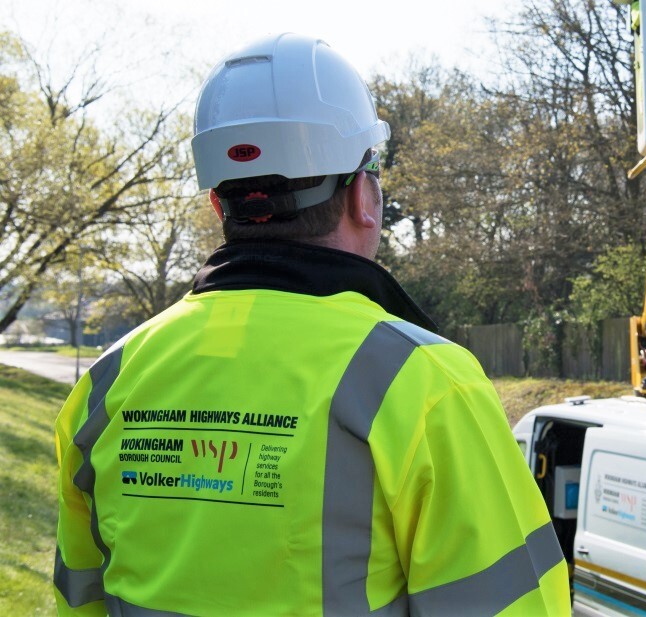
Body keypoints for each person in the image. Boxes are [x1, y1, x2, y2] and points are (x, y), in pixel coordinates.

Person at [53, 33, 570, 616]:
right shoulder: (426, 384)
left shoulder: (105, 384)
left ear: (219, 207)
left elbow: (81, 600)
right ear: (363, 199)